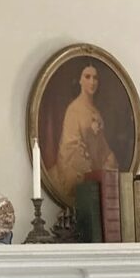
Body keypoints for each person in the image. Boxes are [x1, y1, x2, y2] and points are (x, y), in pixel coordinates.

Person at [50, 61, 118, 205]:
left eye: (95, 78)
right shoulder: (73, 110)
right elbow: (71, 148)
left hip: (94, 168)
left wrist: (109, 157)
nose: (92, 82)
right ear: (80, 80)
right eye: (87, 77)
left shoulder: (96, 112)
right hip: (76, 170)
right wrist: (91, 172)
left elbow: (101, 146)